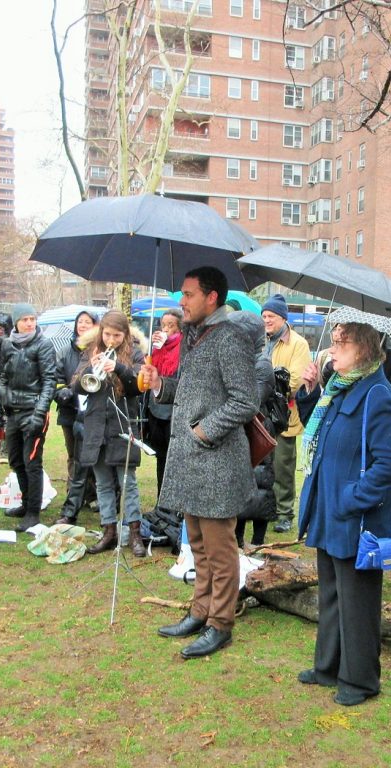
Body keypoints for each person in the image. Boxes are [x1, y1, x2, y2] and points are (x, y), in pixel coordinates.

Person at [142, 266, 258, 659]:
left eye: (188, 294)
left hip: (217, 462)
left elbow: (245, 400)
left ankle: (220, 624)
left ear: (211, 297)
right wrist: (160, 383)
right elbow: (192, 391)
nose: (181, 301)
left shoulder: (231, 338)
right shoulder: (195, 335)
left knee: (221, 552)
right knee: (199, 547)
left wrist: (204, 431)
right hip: (193, 463)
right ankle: (200, 611)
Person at [294, 321, 391, 706]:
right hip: (328, 509)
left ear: (365, 349)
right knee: (331, 594)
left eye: (342, 343)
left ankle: (360, 681)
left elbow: (390, 464)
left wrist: (352, 498)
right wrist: (310, 392)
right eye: (334, 341)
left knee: (357, 603)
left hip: (355, 517)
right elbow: (319, 431)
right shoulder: (340, 387)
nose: (332, 348)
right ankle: (328, 668)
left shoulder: (376, 394)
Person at [71, 310, 146, 557]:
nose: (111, 340)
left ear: (125, 334)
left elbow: (139, 386)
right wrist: (89, 369)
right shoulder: (91, 351)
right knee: (103, 483)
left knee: (128, 483)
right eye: (107, 334)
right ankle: (109, 531)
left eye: (116, 335)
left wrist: (119, 368)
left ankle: (135, 533)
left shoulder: (135, 353)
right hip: (96, 426)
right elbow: (77, 386)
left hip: (122, 425)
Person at [0, 303, 58, 532]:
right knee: (16, 460)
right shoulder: (7, 344)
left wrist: (40, 413)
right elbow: (3, 377)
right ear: (16, 322)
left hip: (33, 409)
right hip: (13, 410)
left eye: (32, 319)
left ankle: (33, 512)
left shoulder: (43, 344)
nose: (30, 323)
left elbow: (49, 381)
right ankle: (25, 502)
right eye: (25, 320)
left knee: (32, 462)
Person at [261, 294, 311, 534]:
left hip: (284, 416)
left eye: (270, 316)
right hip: (260, 414)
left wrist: (266, 388)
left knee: (282, 467)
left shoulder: (299, 344)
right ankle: (266, 509)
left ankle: (284, 513)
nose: (266, 320)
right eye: (263, 316)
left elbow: (296, 380)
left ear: (283, 318)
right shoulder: (261, 340)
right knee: (262, 466)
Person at [230, 310, 279, 550]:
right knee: (241, 487)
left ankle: (258, 541)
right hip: (242, 430)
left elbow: (253, 402)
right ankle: (238, 540)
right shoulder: (239, 360)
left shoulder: (262, 364)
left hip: (258, 431)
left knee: (261, 487)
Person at [51, 309, 99, 525]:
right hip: (69, 410)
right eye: (80, 322)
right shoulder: (65, 351)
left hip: (91, 411)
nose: (83, 325)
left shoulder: (98, 350)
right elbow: (57, 377)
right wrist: (63, 391)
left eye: (88, 322)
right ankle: (73, 493)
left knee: (91, 456)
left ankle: (92, 494)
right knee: (74, 454)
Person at [145, 307, 183, 495]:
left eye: (171, 325)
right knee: (160, 457)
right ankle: (161, 498)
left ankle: (172, 500)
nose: (166, 329)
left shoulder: (184, 347)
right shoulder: (157, 348)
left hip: (174, 412)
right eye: (163, 325)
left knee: (174, 459)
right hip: (156, 409)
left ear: (179, 327)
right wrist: (151, 349)